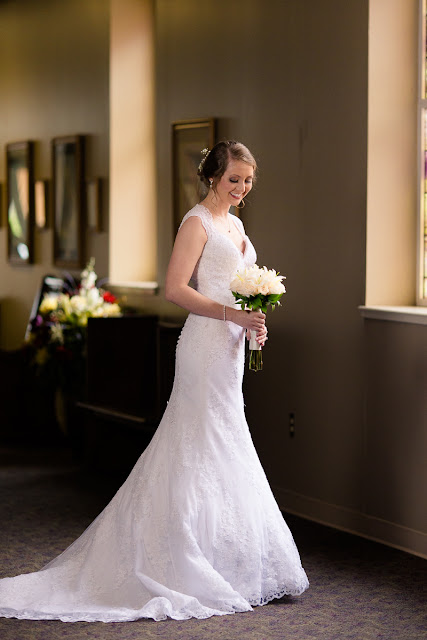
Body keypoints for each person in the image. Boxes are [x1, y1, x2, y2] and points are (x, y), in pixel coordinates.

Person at [0, 140, 309, 623]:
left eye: (248, 181)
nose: (242, 188)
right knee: (197, 443)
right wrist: (233, 313)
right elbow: (175, 288)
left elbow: (241, 289)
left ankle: (228, 558)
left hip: (229, 348)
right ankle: (180, 558)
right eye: (234, 179)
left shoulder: (237, 224)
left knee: (224, 443)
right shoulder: (197, 222)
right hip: (204, 348)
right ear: (213, 177)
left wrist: (253, 323)